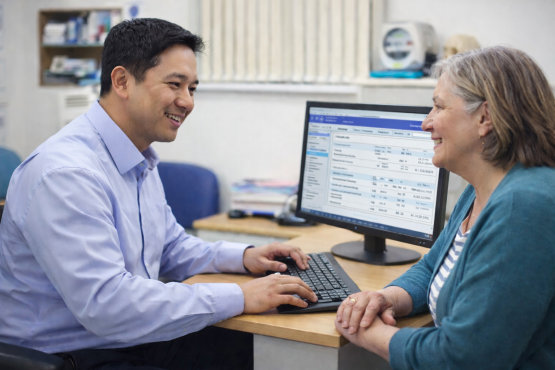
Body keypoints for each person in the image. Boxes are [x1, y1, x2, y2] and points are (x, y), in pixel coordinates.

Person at [0, 18, 317, 369]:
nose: (187, 102)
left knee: (260, 348)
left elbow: (170, 248)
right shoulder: (66, 173)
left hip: (124, 337)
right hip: (68, 355)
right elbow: (108, 305)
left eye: (192, 88)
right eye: (175, 85)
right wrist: (241, 295)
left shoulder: (139, 156)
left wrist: (244, 256)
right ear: (122, 81)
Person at [334, 46, 555, 369]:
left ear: (485, 118)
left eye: (438, 107)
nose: (426, 123)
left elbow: (462, 359)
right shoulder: (483, 187)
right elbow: (432, 268)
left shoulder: (522, 207)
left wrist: (366, 331)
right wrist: (387, 298)